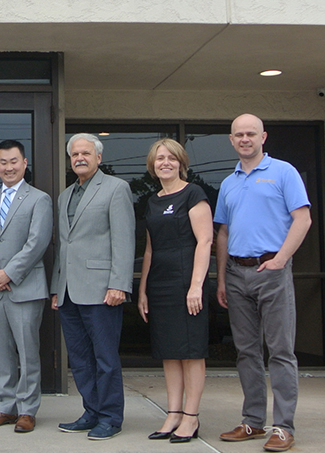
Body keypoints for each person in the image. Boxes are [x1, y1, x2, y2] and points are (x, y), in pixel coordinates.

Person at [214, 114, 311, 453]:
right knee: (246, 352)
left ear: (263, 137)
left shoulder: (283, 172)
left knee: (281, 351)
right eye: (239, 134)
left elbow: (303, 218)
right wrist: (223, 277)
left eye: (250, 133)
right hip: (237, 275)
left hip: (271, 271)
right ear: (231, 140)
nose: (245, 139)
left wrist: (281, 259)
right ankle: (253, 422)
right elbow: (223, 232)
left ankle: (283, 427)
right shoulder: (228, 183)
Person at [50, 133, 133, 441]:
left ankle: (111, 417)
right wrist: (57, 288)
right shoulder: (66, 195)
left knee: (105, 357)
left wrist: (119, 284)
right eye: (74, 154)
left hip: (102, 289)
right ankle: (92, 411)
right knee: (80, 357)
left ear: (99, 157)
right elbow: (64, 245)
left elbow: (123, 240)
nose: (80, 158)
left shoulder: (116, 189)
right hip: (70, 291)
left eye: (86, 153)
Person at [0, 140, 52, 434]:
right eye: (3, 162)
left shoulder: (39, 199)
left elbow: (37, 243)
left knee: (28, 351)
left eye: (14, 161)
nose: (8, 167)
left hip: (25, 288)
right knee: (0, 352)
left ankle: (27, 409)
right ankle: (5, 406)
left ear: (25, 163)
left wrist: (10, 273)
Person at [137, 138, 213, 444]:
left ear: (181, 162)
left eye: (171, 158)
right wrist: (142, 290)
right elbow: (150, 250)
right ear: (152, 166)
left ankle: (191, 417)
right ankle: (172, 413)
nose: (164, 163)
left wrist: (196, 286)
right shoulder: (151, 201)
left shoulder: (194, 194)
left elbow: (205, 242)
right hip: (160, 284)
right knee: (169, 351)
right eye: (159, 159)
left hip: (187, 282)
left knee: (191, 352)